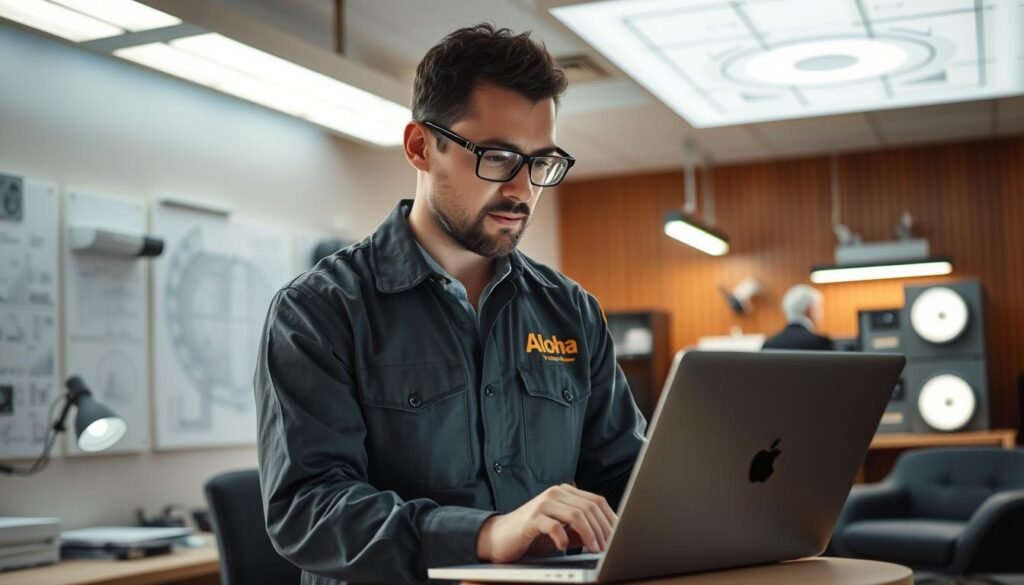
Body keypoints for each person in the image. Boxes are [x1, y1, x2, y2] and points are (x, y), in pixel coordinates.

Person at [253, 23, 647, 585]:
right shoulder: (318, 311)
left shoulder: (572, 311)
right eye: (498, 156)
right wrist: (485, 535)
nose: (522, 189)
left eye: (540, 162)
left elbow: (624, 474)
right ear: (420, 146)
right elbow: (307, 510)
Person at [762, 284, 833, 351]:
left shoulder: (768, 344)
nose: (822, 312)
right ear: (810, 310)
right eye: (819, 307)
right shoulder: (819, 343)